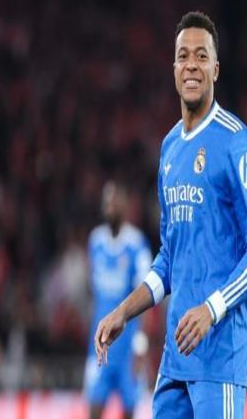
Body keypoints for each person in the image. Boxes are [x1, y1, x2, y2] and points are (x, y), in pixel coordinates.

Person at [95, 11, 247, 418]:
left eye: (201, 56)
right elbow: (168, 259)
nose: (191, 64)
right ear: (174, 68)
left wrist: (211, 309)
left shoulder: (236, 143)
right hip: (176, 358)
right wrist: (123, 312)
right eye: (183, 56)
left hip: (219, 358)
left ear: (215, 69)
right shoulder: (170, 148)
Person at [85, 178, 152, 419]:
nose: (109, 206)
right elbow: (94, 294)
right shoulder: (95, 242)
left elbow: (147, 299)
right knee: (93, 409)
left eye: (114, 201)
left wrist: (141, 345)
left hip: (127, 347)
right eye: (106, 201)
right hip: (99, 346)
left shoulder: (137, 245)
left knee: (128, 411)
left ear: (125, 205)